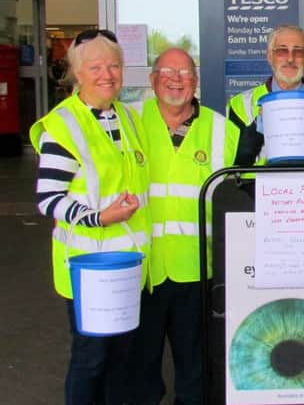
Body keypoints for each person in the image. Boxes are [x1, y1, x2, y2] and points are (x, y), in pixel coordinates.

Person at [29, 29, 151, 404]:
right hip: (88, 268)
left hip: (126, 264)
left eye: (114, 66)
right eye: (95, 67)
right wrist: (99, 218)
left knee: (120, 359)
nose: (107, 75)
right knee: (90, 359)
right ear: (77, 73)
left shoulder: (127, 117)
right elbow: (48, 199)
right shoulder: (64, 125)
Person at [128, 47, 236, 405]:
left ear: (197, 81)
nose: (176, 80)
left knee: (196, 369)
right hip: (143, 271)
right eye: (167, 72)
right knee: (140, 368)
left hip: (197, 270)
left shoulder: (222, 129)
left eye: (186, 73)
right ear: (152, 79)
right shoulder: (128, 123)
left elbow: (245, 193)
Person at [227, 24, 304, 166]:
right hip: (255, 187)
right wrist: (258, 126)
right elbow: (235, 162)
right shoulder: (242, 104)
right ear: (269, 57)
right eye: (282, 51)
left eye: (298, 52)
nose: (290, 59)